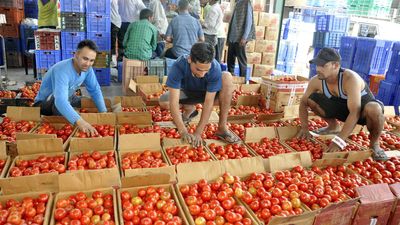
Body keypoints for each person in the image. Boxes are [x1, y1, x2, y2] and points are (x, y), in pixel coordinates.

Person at [297, 48, 387, 161]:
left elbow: (355, 112)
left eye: (323, 65)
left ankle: (374, 144)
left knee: (374, 108)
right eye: (317, 65)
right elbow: (303, 103)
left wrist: (339, 140)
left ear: (336, 65)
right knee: (310, 99)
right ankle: (333, 126)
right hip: (345, 111)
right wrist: (305, 128)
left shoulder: (350, 78)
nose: (318, 69)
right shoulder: (316, 80)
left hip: (363, 113)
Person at [159, 42, 239, 147]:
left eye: (206, 70)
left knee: (227, 76)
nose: (202, 74)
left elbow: (208, 103)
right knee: (164, 101)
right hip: (187, 93)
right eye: (198, 69)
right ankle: (190, 110)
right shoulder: (178, 66)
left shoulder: (215, 68)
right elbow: (174, 101)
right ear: (190, 60)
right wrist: (183, 131)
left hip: (206, 95)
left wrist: (198, 132)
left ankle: (222, 127)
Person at [34, 40, 107, 136]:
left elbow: (95, 90)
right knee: (60, 106)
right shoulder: (62, 70)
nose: (88, 63)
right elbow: (60, 101)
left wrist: (104, 113)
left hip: (68, 96)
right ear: (76, 55)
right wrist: (80, 121)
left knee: (88, 102)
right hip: (45, 104)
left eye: (91, 60)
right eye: (85, 58)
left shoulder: (87, 69)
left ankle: (71, 113)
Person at [226, 0, 255, 77]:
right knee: (230, 61)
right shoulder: (237, 3)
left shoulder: (246, 3)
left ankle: (243, 81)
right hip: (232, 37)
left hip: (240, 38)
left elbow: (249, 22)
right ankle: (230, 79)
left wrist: (244, 37)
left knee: (241, 61)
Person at [111, 0, 121, 66]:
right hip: (116, 22)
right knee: (114, 42)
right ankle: (115, 61)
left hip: (114, 22)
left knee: (113, 41)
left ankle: (113, 60)